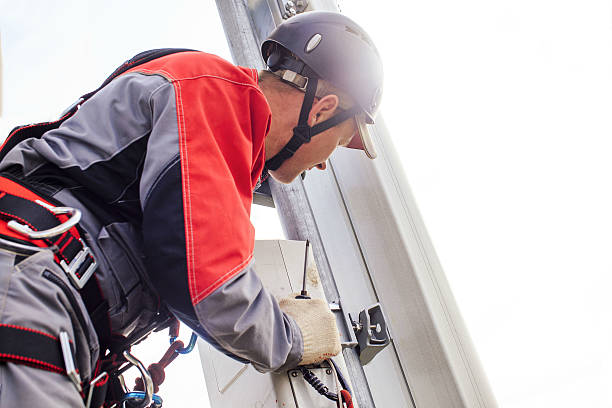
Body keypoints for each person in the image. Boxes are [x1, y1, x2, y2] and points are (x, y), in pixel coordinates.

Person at [0, 10, 383, 407]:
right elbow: (213, 285)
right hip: (29, 293)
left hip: (43, 296)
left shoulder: (204, 100)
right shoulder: (217, 96)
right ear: (322, 109)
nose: (323, 164)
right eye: (337, 144)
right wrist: (295, 336)